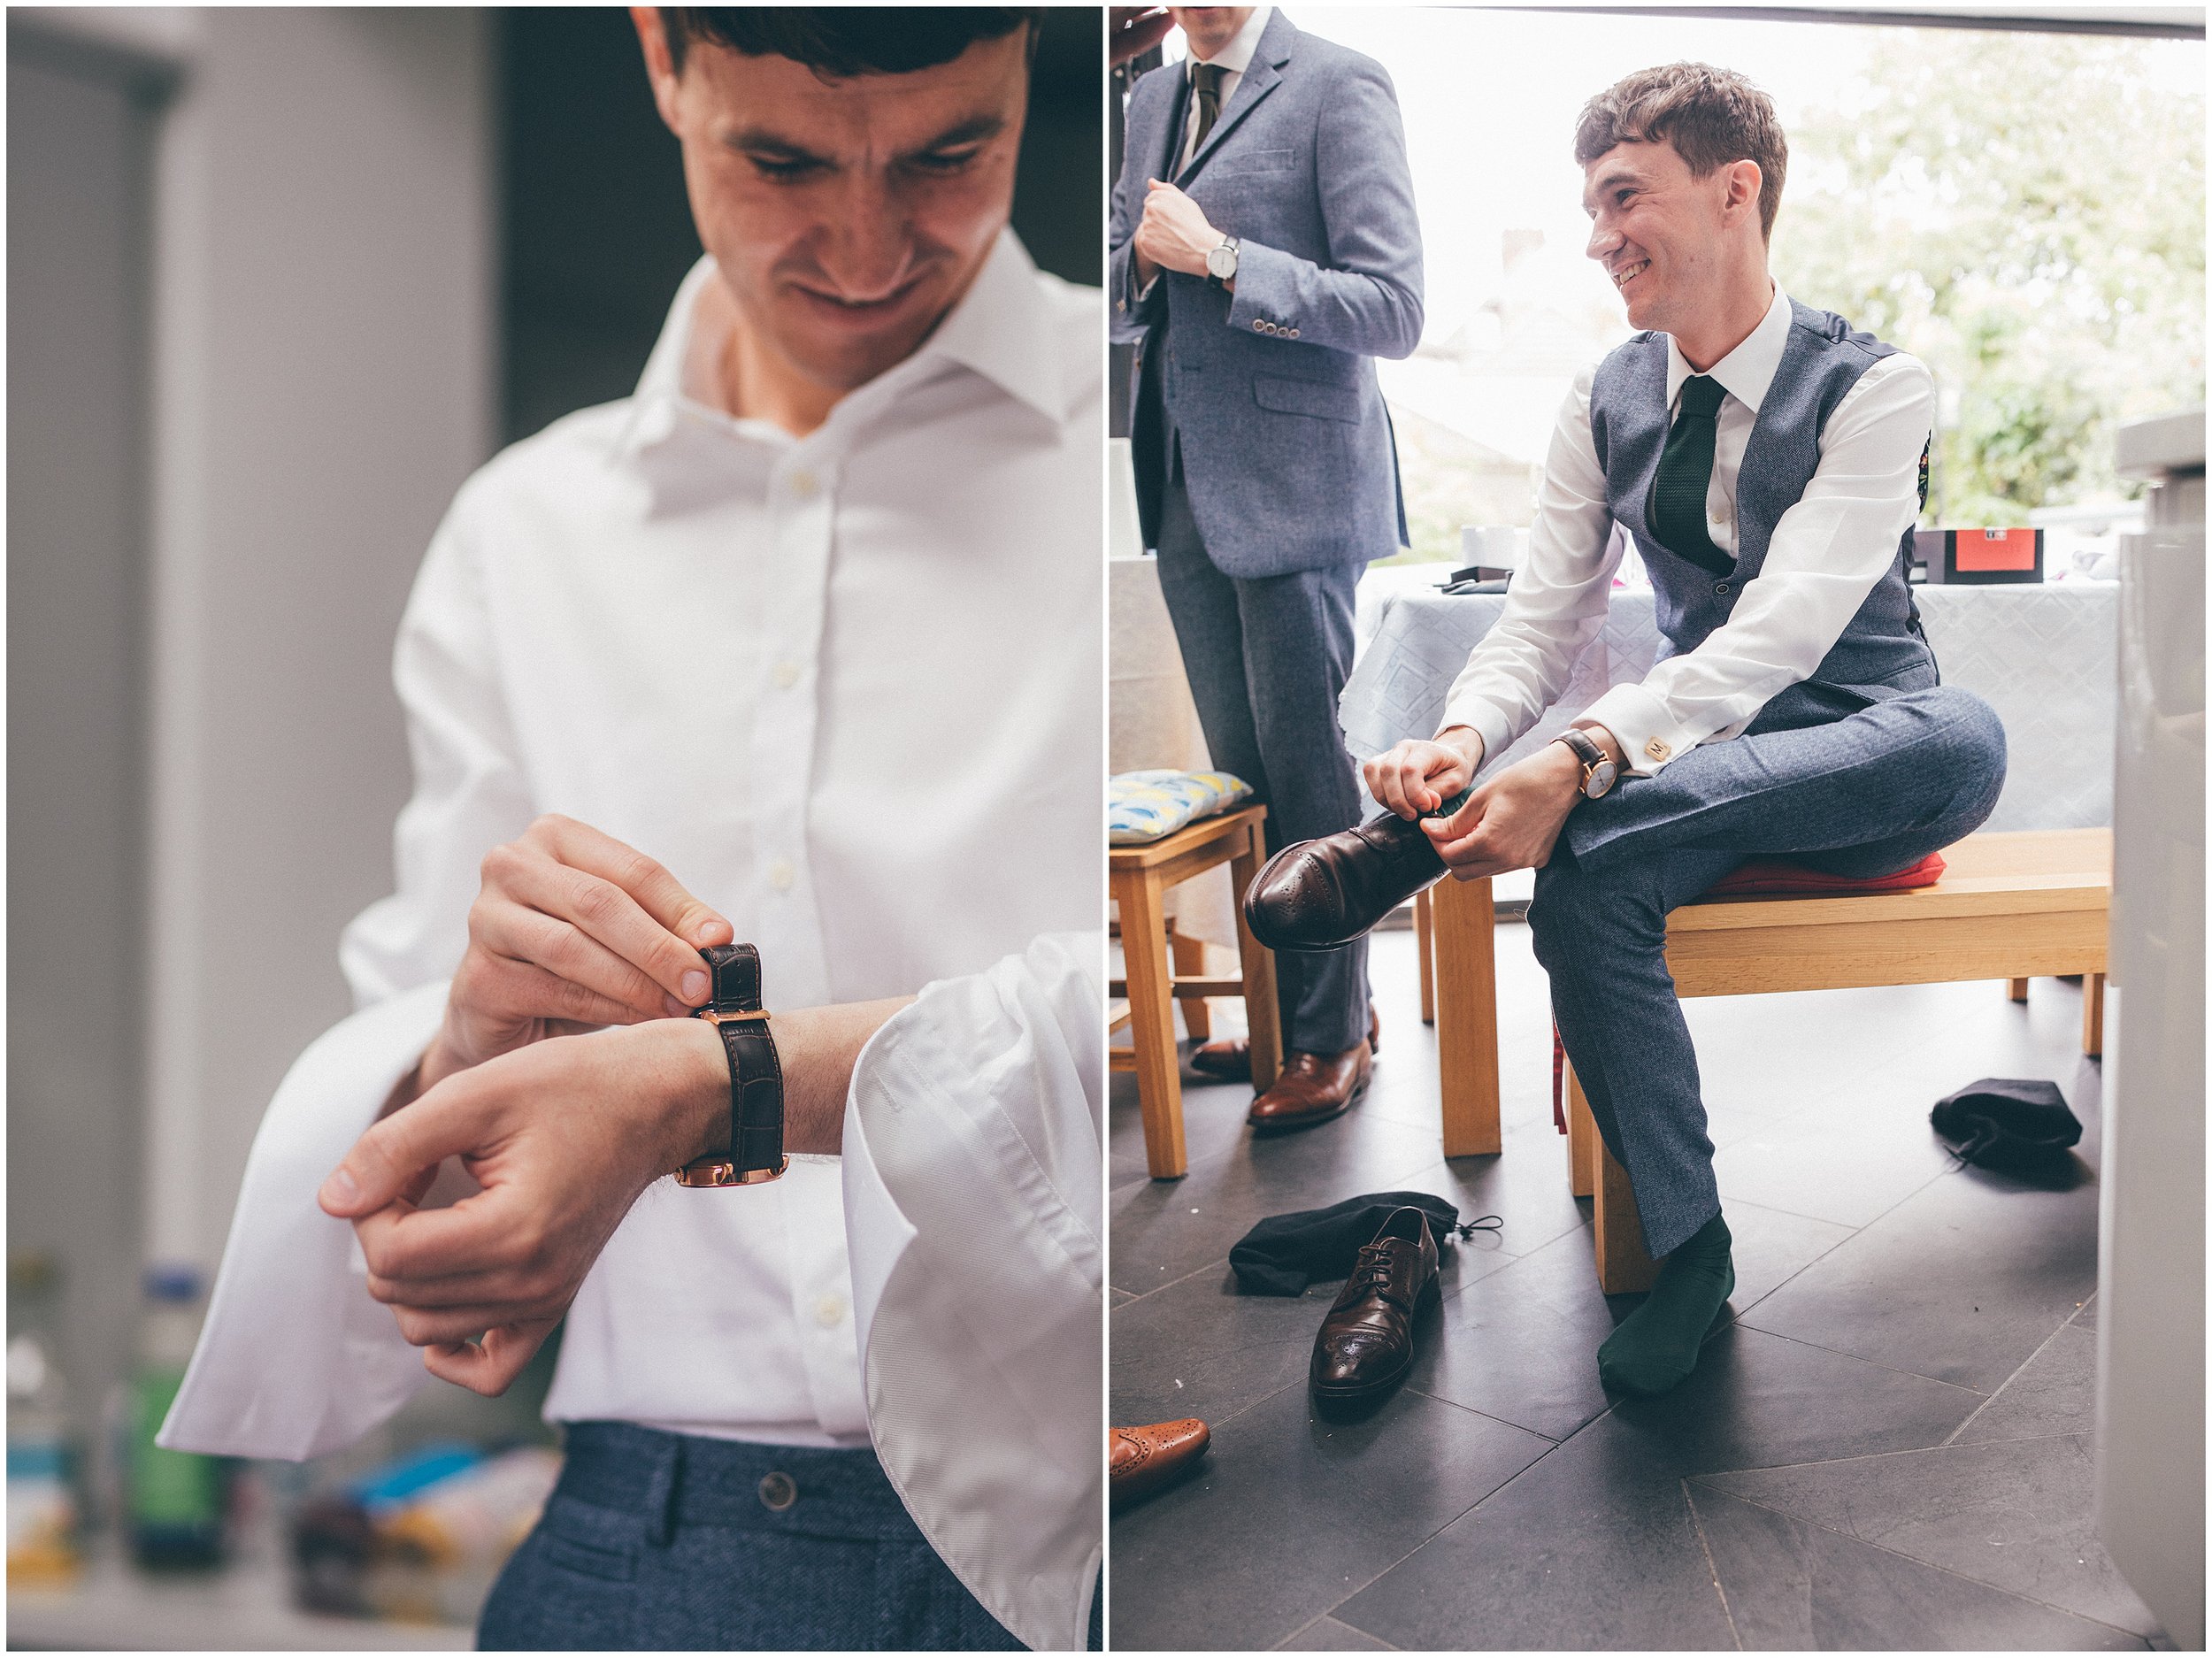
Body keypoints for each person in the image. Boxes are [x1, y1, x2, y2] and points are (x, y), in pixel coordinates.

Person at [159, 9, 1102, 1648]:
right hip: (650, 1553)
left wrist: (705, 1084)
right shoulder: (526, 534)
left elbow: (1212, 999)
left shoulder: (1149, 443)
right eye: (784, 159)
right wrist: (465, 1040)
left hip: (1104, 1540)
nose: (872, 246)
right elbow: (422, 1140)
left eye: (951, 153)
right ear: (663, 51)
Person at [1362, 63, 2005, 1397]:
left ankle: (1411, 849)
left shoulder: (1876, 385)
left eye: (1621, 199)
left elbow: (1783, 630)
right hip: (1700, 775)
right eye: (1593, 208)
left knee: (1967, 734)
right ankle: (1692, 1247)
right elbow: (1540, 621)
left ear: (1735, 191)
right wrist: (1471, 742)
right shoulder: (1603, 398)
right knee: (1585, 876)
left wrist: (1580, 758)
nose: (1598, 238)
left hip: (1868, 751)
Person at [1107, 5, 1422, 1130]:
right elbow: (1116, 280)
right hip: (1182, 479)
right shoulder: (1146, 96)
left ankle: (1334, 1036)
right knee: (1244, 780)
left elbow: (1392, 309)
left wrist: (1224, 257)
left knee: (1306, 774)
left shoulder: (1340, 84)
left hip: (1299, 482)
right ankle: (1298, 1013)